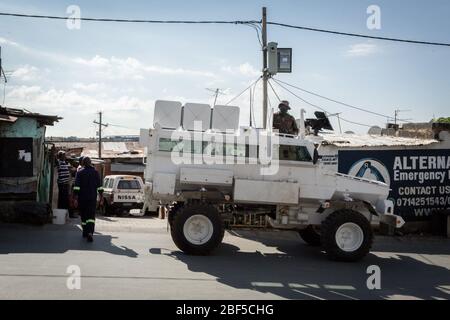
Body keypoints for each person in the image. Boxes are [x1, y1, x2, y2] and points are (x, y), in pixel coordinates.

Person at [73, 157, 103, 242]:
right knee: (91, 216)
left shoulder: (80, 173)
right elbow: (99, 186)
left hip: (82, 198)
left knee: (83, 215)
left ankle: (85, 231)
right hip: (92, 198)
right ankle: (90, 232)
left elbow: (76, 187)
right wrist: (101, 196)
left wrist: (75, 198)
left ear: (83, 163)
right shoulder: (95, 172)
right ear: (90, 163)